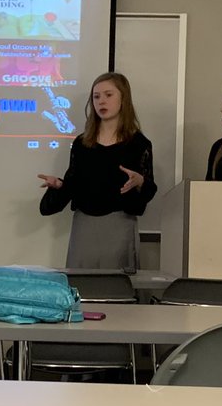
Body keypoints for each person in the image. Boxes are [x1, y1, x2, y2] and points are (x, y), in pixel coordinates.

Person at [38, 72, 157, 270]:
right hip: (84, 227)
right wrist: (59, 185)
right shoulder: (82, 143)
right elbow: (74, 185)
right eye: (96, 96)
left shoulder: (138, 144)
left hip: (119, 226)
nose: (101, 101)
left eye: (108, 95)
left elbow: (147, 192)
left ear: (123, 99)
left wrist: (140, 182)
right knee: (83, 286)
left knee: (116, 289)